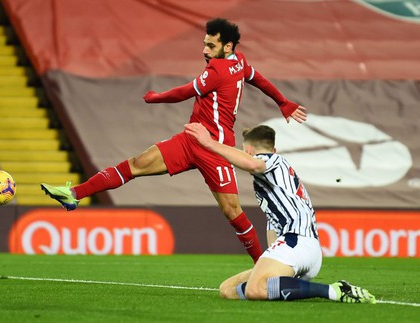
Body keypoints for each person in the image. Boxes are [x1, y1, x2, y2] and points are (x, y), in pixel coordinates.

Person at [40, 18, 307, 263]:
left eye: (210, 45)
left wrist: (156, 98)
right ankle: (74, 194)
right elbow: (257, 78)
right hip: (190, 139)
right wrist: (282, 102)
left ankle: (262, 265)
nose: (204, 50)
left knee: (232, 211)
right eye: (204, 44)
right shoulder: (239, 61)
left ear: (227, 46)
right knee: (138, 163)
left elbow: (184, 92)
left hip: (215, 148)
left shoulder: (218, 69)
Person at [184, 122, 376, 303]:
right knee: (228, 290)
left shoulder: (272, 160)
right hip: (298, 247)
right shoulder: (273, 188)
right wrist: (266, 263)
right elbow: (272, 229)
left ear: (248, 151)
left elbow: (252, 164)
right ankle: (289, 286)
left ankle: (335, 290)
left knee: (255, 289)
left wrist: (209, 143)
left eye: (245, 152)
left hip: (297, 242)